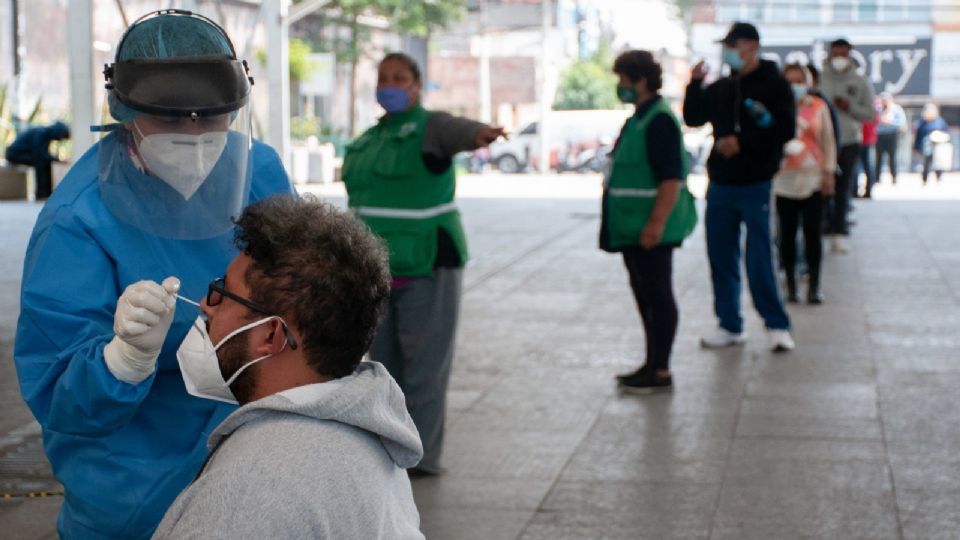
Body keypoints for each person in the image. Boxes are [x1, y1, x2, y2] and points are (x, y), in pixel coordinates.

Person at [14, 11, 293, 539]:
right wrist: (123, 360)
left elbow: (301, 284)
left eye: (211, 117)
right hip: (133, 482)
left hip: (252, 454)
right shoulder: (78, 219)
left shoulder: (260, 172)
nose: (193, 133)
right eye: (169, 118)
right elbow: (59, 392)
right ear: (126, 113)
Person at [152, 195, 424, 539]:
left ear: (271, 334)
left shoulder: (249, 491)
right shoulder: (370, 434)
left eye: (223, 292)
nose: (206, 305)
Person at [342, 52, 505, 475]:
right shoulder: (372, 137)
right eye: (383, 78)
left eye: (399, 78)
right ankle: (390, 448)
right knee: (382, 367)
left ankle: (422, 457)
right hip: (375, 269)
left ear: (417, 86)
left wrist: (481, 133)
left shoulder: (430, 128)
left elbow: (458, 132)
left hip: (427, 262)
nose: (389, 85)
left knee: (425, 367)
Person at [683, 22, 796, 352]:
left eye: (733, 45)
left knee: (759, 256)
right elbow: (693, 117)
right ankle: (730, 324)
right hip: (721, 182)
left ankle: (776, 324)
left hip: (756, 182)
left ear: (751, 45)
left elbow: (785, 129)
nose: (728, 52)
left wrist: (742, 143)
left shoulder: (775, 85)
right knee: (721, 254)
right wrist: (694, 84)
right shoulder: (722, 87)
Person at [600, 50, 697, 393]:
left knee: (658, 295)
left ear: (640, 80)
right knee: (645, 296)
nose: (620, 86)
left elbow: (671, 180)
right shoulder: (638, 118)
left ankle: (661, 370)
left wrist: (655, 225)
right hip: (633, 228)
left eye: (622, 79)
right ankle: (652, 362)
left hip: (651, 229)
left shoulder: (659, 120)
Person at [775, 64, 836, 305]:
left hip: (813, 177)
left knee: (812, 234)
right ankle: (791, 283)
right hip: (784, 179)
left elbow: (829, 142)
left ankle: (814, 284)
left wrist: (828, 173)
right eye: (790, 81)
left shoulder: (818, 107)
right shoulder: (776, 106)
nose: (795, 86)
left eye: (799, 81)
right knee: (787, 235)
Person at [819, 38, 876, 253]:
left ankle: (839, 231)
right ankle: (822, 227)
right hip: (822, 142)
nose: (839, 58)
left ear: (850, 55)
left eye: (843, 54)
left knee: (843, 189)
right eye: (836, 53)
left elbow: (869, 114)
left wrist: (849, 106)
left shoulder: (860, 81)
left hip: (849, 141)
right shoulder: (819, 78)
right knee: (822, 188)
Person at [3, 120, 70, 199]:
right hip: (14, 154)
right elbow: (39, 154)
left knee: (44, 162)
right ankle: (41, 193)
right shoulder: (40, 133)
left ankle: (47, 193)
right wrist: (57, 160)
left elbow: (43, 154)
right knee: (40, 163)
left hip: (23, 154)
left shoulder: (44, 135)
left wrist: (55, 159)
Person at [914, 103, 950, 185]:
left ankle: (939, 177)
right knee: (926, 163)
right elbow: (918, 135)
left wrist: (939, 135)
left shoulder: (939, 121)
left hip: (938, 146)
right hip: (926, 146)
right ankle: (924, 179)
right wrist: (916, 147)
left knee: (938, 162)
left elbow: (946, 132)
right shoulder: (922, 122)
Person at [875, 92, 907, 186]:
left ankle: (894, 177)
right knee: (878, 159)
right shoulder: (878, 109)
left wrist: (890, 122)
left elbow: (901, 123)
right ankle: (877, 178)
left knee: (892, 158)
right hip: (880, 136)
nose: (884, 102)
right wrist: (881, 121)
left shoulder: (896, 109)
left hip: (892, 135)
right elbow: (873, 123)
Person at [858, 101, 879, 198]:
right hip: (860, 140)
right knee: (859, 168)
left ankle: (868, 191)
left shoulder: (871, 109)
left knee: (867, 167)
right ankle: (856, 190)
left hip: (866, 140)